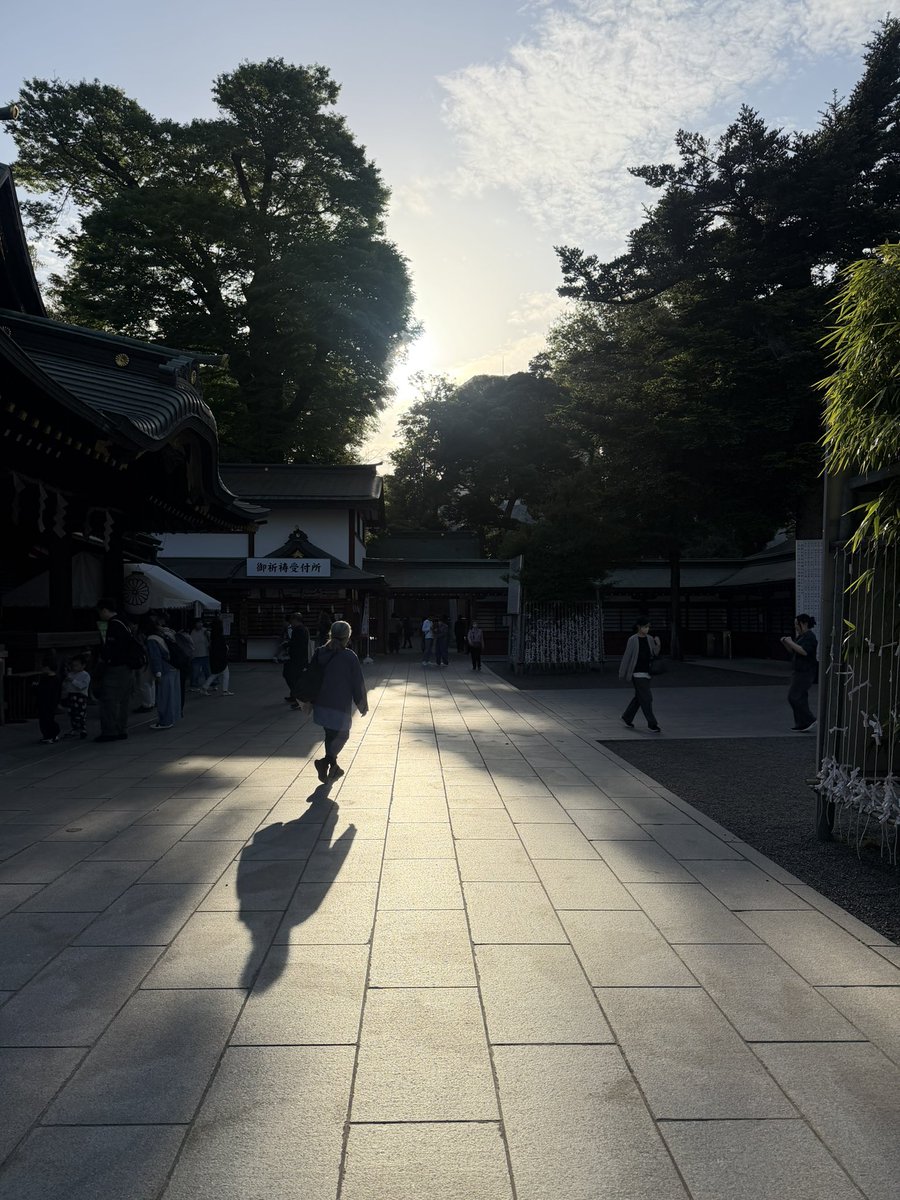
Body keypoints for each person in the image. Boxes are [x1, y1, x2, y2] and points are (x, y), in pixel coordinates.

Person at [312, 620, 368, 782]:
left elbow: (311, 675)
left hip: (321, 702)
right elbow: (357, 683)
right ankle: (325, 762)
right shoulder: (349, 656)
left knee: (330, 734)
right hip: (339, 704)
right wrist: (362, 704)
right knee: (342, 735)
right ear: (347, 637)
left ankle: (334, 768)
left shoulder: (320, 652)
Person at [95, 598, 141, 742]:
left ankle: (110, 731)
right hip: (127, 667)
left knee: (109, 699)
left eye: (100, 612)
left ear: (104, 610)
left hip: (116, 667)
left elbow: (112, 649)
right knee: (123, 701)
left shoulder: (114, 625)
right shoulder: (124, 622)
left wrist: (104, 657)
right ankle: (122, 729)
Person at [618, 619, 662, 733]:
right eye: (645, 626)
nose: (647, 629)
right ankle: (652, 724)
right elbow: (627, 656)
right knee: (647, 698)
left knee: (640, 697)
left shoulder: (650, 638)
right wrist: (622, 672)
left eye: (648, 627)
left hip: (647, 672)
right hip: (637, 673)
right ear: (639, 627)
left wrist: (658, 644)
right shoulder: (632, 639)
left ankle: (627, 717)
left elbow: (655, 653)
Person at [781, 614, 818, 732]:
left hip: (806, 671)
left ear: (804, 624)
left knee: (793, 697)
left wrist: (790, 642)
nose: (795, 627)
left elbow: (804, 651)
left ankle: (809, 719)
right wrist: (787, 643)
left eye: (797, 624)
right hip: (799, 671)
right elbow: (794, 651)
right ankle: (801, 723)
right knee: (800, 697)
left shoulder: (810, 637)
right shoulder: (801, 637)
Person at [146, 616, 181, 730]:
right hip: (174, 666)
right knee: (173, 695)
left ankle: (165, 721)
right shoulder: (165, 634)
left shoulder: (152, 639)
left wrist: (158, 673)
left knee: (164, 697)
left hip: (165, 669)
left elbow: (155, 657)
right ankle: (173, 717)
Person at [283, 612, 310, 709]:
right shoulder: (304, 629)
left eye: (292, 621)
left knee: (291, 676)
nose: (291, 623)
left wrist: (286, 645)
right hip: (301, 658)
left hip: (297, 658)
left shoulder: (298, 630)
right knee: (294, 677)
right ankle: (295, 696)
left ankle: (299, 698)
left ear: (295, 620)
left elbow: (295, 643)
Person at [60, 654, 90, 740]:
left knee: (80, 713)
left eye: (76, 665)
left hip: (80, 696)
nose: (74, 667)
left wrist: (73, 681)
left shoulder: (85, 675)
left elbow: (82, 686)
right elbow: (66, 685)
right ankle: (75, 728)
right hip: (71, 695)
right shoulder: (71, 674)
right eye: (73, 665)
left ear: (83, 665)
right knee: (72, 713)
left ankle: (82, 729)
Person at [202, 617, 233, 695]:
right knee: (225, 673)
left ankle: (205, 687)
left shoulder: (213, 635)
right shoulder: (220, 636)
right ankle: (225, 690)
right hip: (221, 658)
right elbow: (223, 647)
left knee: (215, 673)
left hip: (214, 657)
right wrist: (226, 648)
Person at [35, 656, 61, 744]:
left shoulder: (53, 679)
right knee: (45, 719)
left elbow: (55, 692)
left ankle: (51, 735)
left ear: (47, 667)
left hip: (49, 702)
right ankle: (49, 735)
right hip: (45, 702)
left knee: (47, 720)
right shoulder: (45, 678)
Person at [189, 619, 210, 689]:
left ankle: (210, 683)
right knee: (195, 671)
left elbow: (210, 640)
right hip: (195, 655)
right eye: (198, 623)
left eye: (201, 623)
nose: (200, 624)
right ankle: (194, 684)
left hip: (205, 654)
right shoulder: (192, 632)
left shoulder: (205, 631)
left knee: (207, 671)